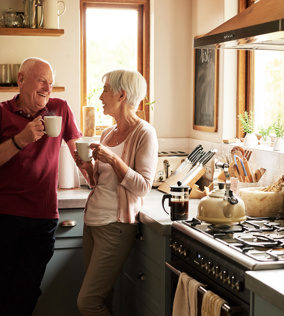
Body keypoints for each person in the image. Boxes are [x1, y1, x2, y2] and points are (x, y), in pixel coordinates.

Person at [0, 57, 83, 316]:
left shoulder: (60, 109)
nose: (48, 88)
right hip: (1, 217)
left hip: (41, 218)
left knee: (26, 290)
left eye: (51, 83)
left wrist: (96, 170)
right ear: (21, 79)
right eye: (41, 80)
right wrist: (21, 139)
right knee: (3, 292)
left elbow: (78, 151)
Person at [75, 69, 158, 315]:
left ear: (122, 95)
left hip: (115, 226)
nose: (101, 96)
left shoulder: (144, 133)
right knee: (102, 299)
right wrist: (88, 169)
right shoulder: (108, 133)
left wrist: (113, 159)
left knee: (88, 302)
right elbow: (99, 183)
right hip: (92, 223)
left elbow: (143, 186)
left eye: (105, 90)